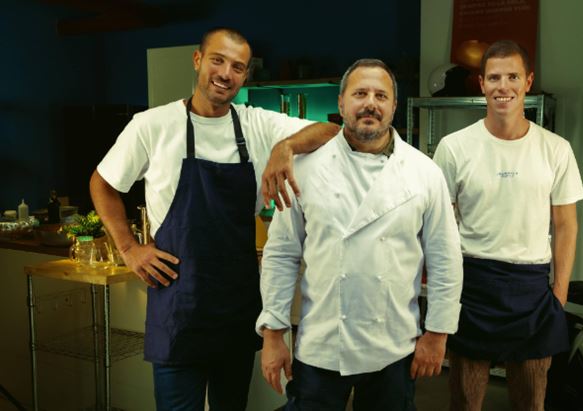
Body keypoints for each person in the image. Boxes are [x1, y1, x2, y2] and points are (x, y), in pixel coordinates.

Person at [89, 27, 339, 411]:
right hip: (178, 306)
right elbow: (102, 183)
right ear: (197, 60)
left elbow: (333, 132)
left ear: (245, 76)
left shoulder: (257, 124)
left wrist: (286, 146)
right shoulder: (152, 125)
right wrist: (128, 248)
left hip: (235, 306)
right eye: (217, 61)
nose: (226, 73)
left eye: (237, 67)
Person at [256, 58, 463, 410]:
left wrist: (437, 333)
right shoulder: (304, 169)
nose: (371, 103)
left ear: (394, 106)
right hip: (321, 343)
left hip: (394, 346)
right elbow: (281, 254)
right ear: (341, 104)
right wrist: (274, 334)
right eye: (360, 93)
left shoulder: (424, 172)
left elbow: (445, 258)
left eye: (381, 96)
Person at [432, 40, 583, 411]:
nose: (504, 87)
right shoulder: (454, 148)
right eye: (495, 77)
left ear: (528, 81)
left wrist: (559, 294)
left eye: (513, 76)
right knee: (465, 402)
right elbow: (438, 227)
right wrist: (442, 295)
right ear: (481, 84)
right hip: (472, 284)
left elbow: (566, 225)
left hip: (533, 288)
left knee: (531, 402)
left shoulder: (556, 148)